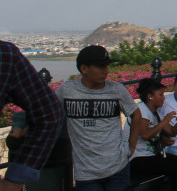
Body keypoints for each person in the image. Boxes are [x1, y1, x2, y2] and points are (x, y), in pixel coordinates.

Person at [56, 45, 142, 191]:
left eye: (106, 66)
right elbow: (46, 111)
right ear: (84, 69)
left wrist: (131, 145)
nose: (106, 71)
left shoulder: (116, 90)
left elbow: (136, 114)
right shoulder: (67, 90)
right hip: (86, 172)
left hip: (117, 167)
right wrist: (24, 129)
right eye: (101, 66)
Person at [0, 40, 64, 190]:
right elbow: (49, 112)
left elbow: (49, 113)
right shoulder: (5, 54)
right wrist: (15, 180)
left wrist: (14, 182)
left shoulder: (5, 55)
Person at [128, 78, 177, 191]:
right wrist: (164, 121)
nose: (164, 98)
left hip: (151, 156)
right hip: (138, 158)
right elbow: (145, 135)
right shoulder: (141, 110)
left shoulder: (156, 111)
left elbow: (172, 132)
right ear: (150, 96)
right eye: (161, 95)